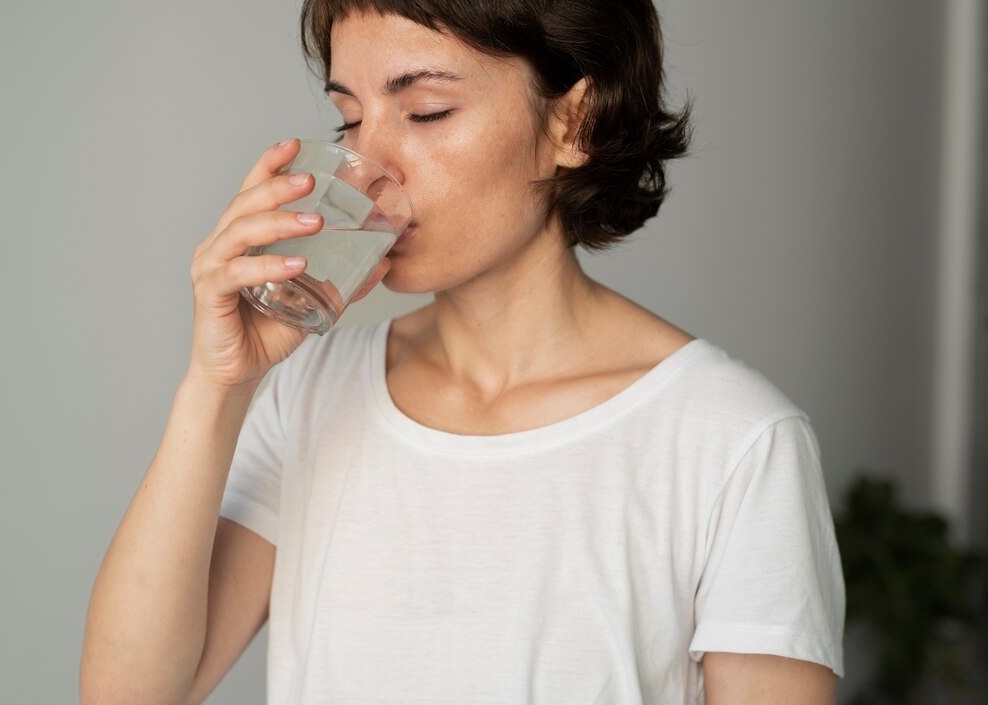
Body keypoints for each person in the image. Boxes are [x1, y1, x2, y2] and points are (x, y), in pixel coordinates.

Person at [80, 1, 846, 704]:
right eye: (349, 119)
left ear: (572, 123)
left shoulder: (734, 441)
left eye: (425, 111)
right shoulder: (313, 389)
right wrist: (216, 388)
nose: (371, 168)